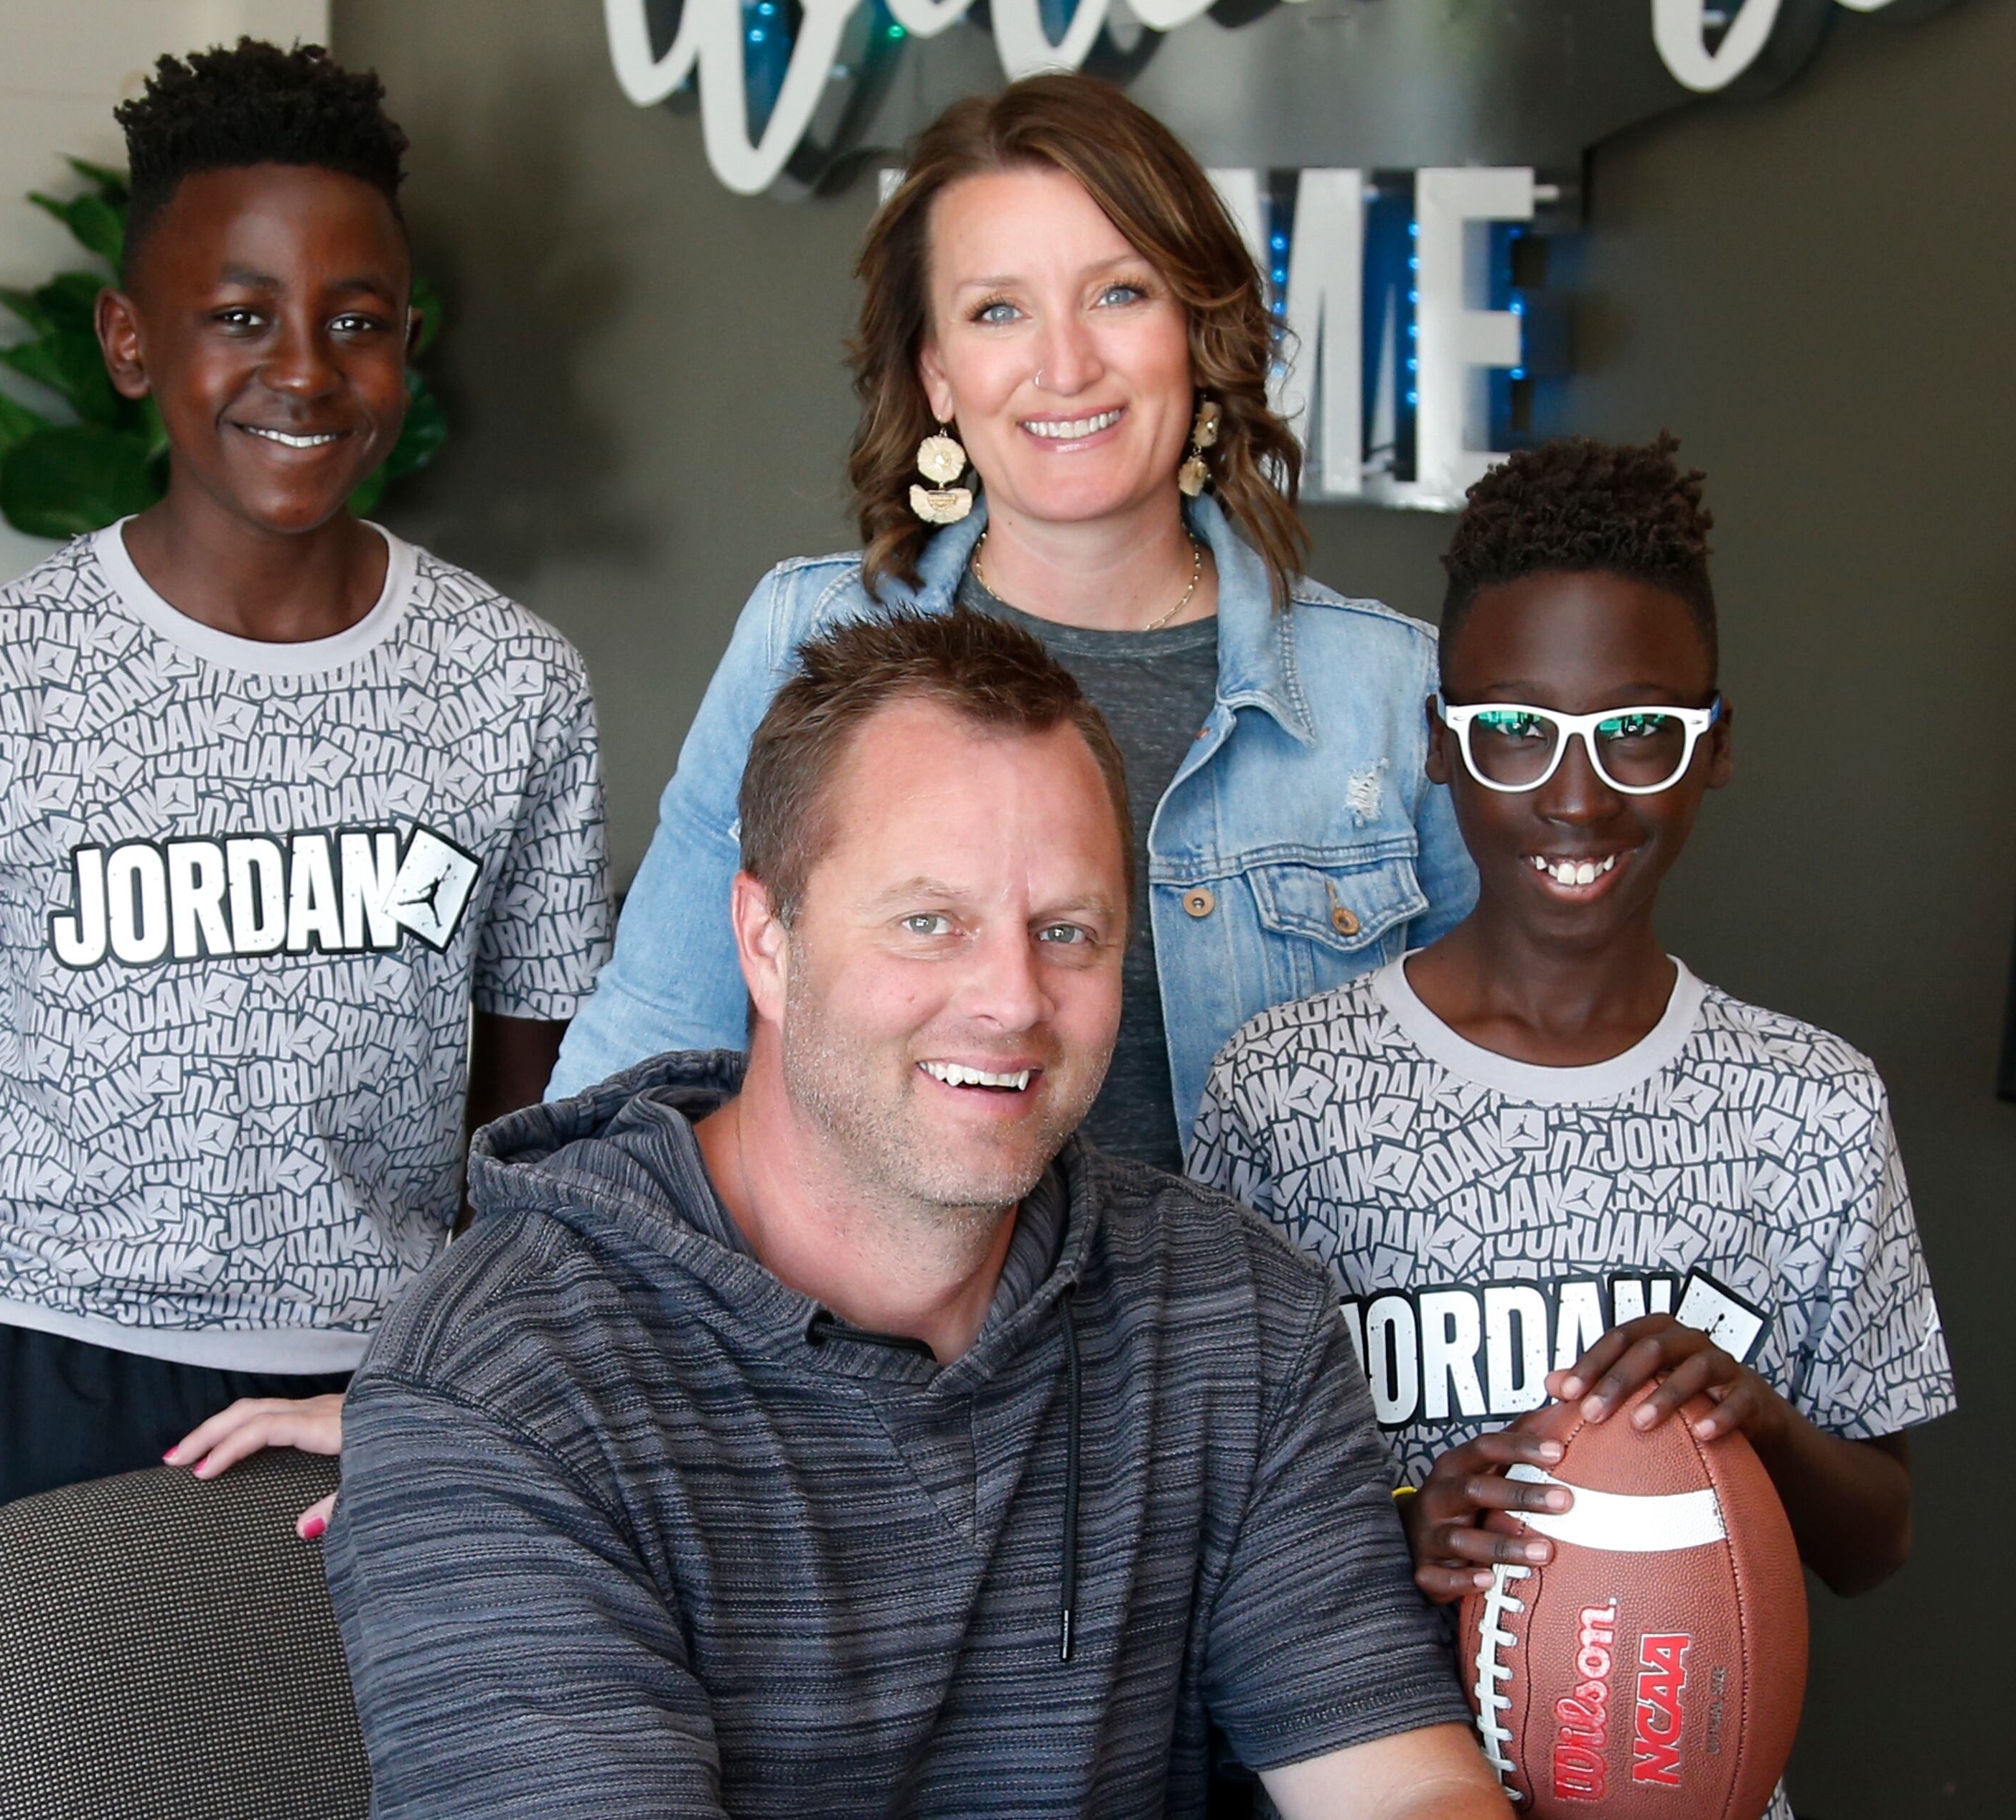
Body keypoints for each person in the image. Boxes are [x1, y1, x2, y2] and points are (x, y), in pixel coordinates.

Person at [0, 42, 609, 1820]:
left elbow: (528, 1117)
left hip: (373, 1399)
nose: (305, 369)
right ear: (132, 342)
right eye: (241, 315)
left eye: (361, 318)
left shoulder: (511, 683)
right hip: (41, 1382)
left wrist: (452, 1377)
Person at [327, 610, 1510, 1820]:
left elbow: (1403, 1783)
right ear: (766, 942)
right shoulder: (506, 1383)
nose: (1011, 998)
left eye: (1069, 932)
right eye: (928, 922)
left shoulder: (1230, 1309)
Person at [1187, 438, 1955, 1816]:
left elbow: (1876, 1544)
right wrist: (1411, 1525)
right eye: (1515, 730)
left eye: (1638, 732)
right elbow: (1208, 1536)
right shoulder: (1286, 1091)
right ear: (1439, 741)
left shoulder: (1812, 1104)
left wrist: (1758, 1425)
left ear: (1713, 746)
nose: (1578, 794)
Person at [547, 74, 1474, 1170]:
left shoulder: (1384, 690)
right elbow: (636, 1074)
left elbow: (1494, 1115)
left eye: (1119, 294)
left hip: (1276, 1337)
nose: (1066, 364)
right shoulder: (805, 637)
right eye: (999, 311)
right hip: (877, 1341)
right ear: (937, 372)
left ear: (1195, 325)